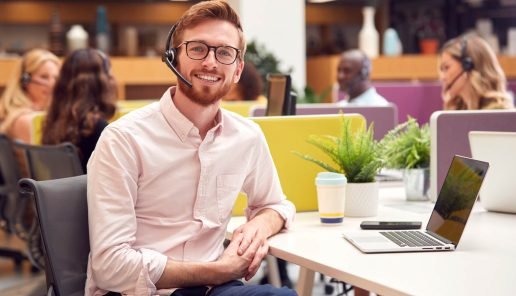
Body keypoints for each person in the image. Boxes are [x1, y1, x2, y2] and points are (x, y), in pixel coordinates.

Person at [86, 1, 296, 296]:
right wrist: (220, 270)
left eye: (224, 53)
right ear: (173, 58)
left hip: (211, 289)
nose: (210, 62)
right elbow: (109, 267)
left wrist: (260, 226)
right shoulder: (124, 139)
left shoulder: (247, 136)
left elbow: (277, 204)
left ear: (237, 71)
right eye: (197, 49)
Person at [41, 48, 117, 172]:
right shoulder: (98, 128)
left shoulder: (53, 122)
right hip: (89, 191)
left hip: (65, 191)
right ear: (101, 82)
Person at [439, 35, 514, 110]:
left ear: (467, 66)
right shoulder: (454, 111)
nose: (442, 77)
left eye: (447, 67)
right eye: (442, 69)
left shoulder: (497, 111)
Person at [0, 48, 60, 142]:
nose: (52, 84)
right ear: (25, 80)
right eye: (44, 77)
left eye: (56, 78)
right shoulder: (27, 120)